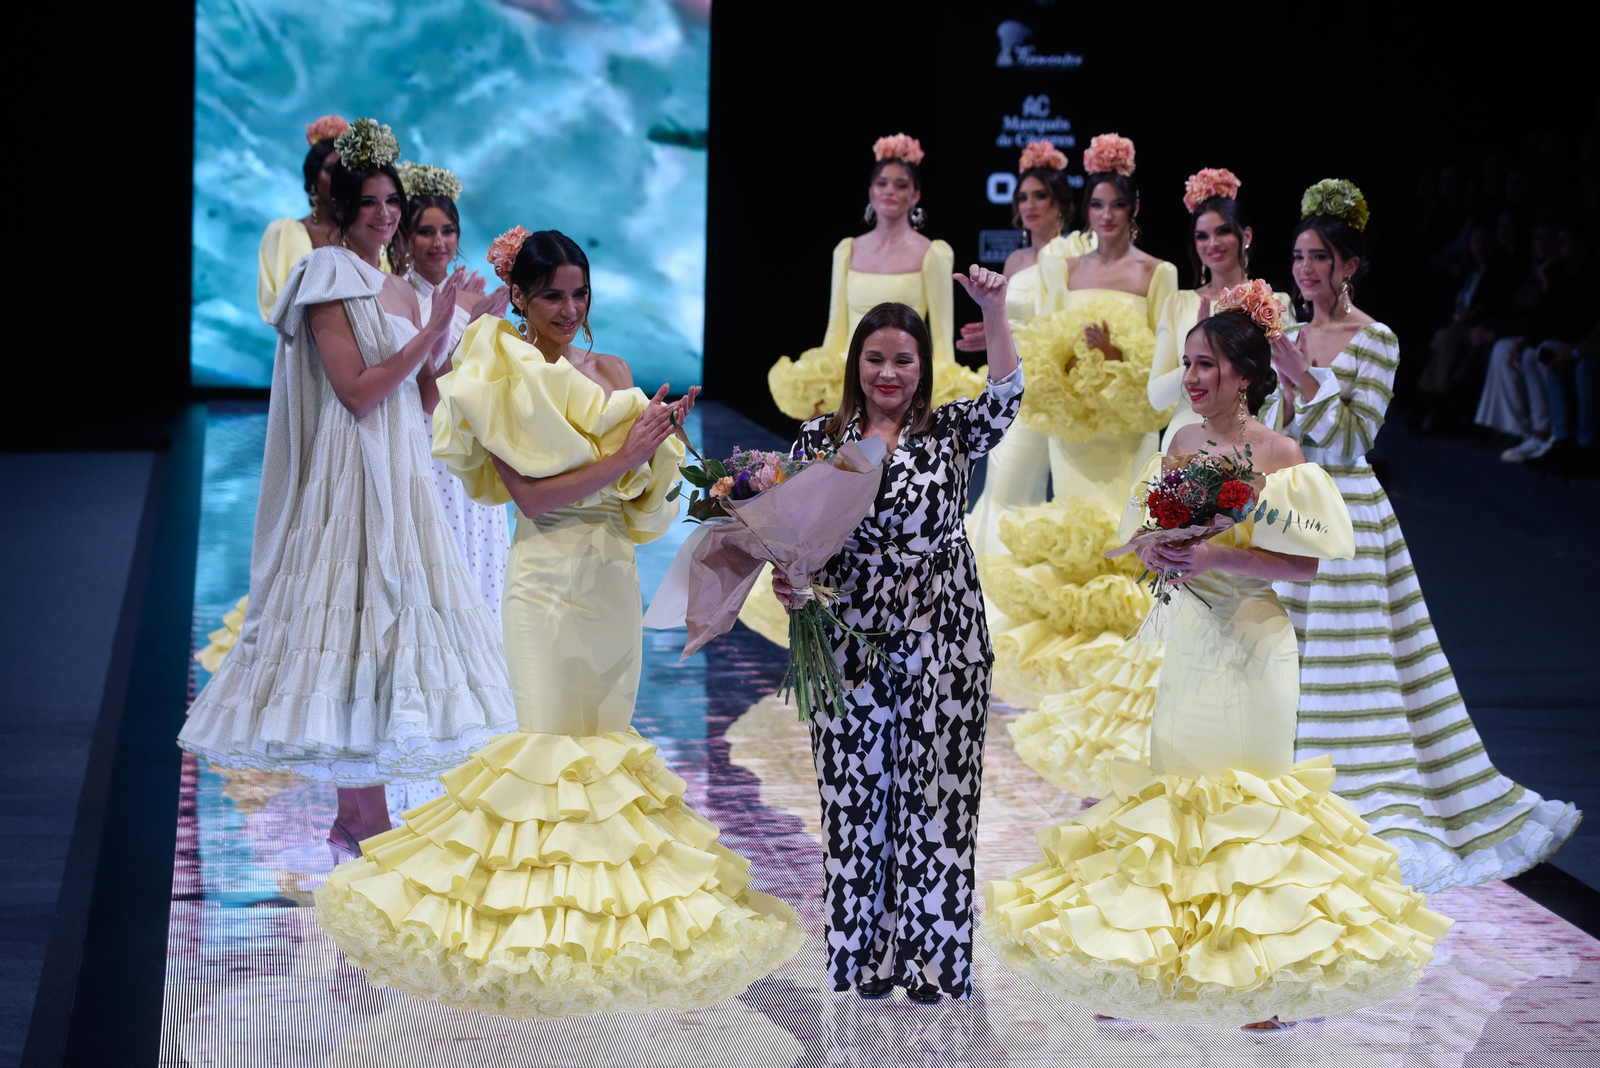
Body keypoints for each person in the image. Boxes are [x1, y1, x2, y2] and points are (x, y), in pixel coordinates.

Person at [314, 227, 804, 1018]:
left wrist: (677, 463)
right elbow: (535, 497)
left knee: (607, 765)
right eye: (552, 296)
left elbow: (646, 502)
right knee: (548, 757)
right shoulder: (498, 371)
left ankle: (600, 940)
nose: (569, 310)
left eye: (579, 295)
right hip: (543, 583)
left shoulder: (612, 372)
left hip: (611, 578)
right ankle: (528, 941)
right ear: (520, 299)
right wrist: (629, 449)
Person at [987, 290, 1452, 1029]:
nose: (1193, 378)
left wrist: (1217, 548)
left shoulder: (1281, 456)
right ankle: (1156, 966)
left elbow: (1305, 567)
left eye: (1206, 366)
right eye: (1188, 364)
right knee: (1175, 799)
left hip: (1255, 642)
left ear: (1244, 376)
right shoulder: (1179, 446)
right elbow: (1144, 533)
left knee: (1251, 810)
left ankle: (1261, 979)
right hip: (1192, 636)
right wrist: (1157, 550)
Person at [179, 118, 516, 855]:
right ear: (341, 208)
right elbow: (357, 392)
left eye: (392, 201)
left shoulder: (394, 289)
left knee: (393, 635)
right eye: (372, 203)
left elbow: (425, 400)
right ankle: (360, 816)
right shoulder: (327, 273)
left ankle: (364, 817)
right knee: (358, 627)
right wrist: (435, 329)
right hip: (353, 472)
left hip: (402, 472)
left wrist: (465, 328)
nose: (387, 214)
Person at [1269, 181, 1580, 891]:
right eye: (1298, 257)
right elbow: (1279, 434)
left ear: (1350, 264)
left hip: (1346, 514)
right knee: (1288, 659)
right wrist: (1282, 387)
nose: (1307, 269)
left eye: (1321, 257)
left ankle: (1364, 798)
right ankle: (1286, 792)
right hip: (1289, 508)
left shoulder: (1375, 340)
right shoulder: (1286, 334)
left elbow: (1352, 441)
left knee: (1355, 668)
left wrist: (1307, 383)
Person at [767, 264, 1022, 1004]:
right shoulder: (820, 438)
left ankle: (933, 961)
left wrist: (997, 314)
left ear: (923, 366)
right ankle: (868, 954)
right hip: (849, 641)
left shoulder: (950, 430)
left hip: (946, 640)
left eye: (903, 360)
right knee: (856, 798)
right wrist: (789, 580)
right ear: (856, 365)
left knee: (938, 797)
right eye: (875, 359)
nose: (888, 372)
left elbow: (1006, 401)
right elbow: (795, 539)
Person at [983, 134, 1176, 706]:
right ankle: (1075, 677)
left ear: (1134, 210)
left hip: (1128, 427)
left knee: (1123, 534)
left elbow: (1163, 359)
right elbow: (1045, 345)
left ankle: (1131, 674)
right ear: (1087, 211)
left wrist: (1113, 354)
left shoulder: (1157, 272)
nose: (1108, 215)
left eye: (1118, 204)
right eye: (1098, 205)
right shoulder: (1064, 269)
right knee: (1072, 541)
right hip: (1073, 425)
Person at [766, 133, 985, 422]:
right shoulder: (847, 250)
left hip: (902, 379)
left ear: (915, 195)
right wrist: (820, 382)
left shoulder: (933, 253)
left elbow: (942, 336)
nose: (889, 191)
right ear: (871, 192)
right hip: (851, 373)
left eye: (901, 184)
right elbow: (836, 327)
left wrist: (938, 391)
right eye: (882, 183)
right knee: (841, 465)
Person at [962, 139, 1096, 558]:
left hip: (1057, 387)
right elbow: (1011, 320)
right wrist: (990, 334)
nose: (1030, 204)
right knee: (1004, 486)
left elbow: (1070, 319)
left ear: (1061, 202)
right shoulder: (1016, 260)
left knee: (1045, 491)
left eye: (1041, 194)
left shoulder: (1079, 251)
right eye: (1023, 196)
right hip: (1013, 386)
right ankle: (992, 591)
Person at [400, 161, 513, 621]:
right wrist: (471, 331)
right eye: (425, 231)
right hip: (428, 447)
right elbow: (426, 397)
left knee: (478, 564)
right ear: (405, 238)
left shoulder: (470, 299)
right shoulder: (398, 298)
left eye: (448, 230)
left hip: (472, 447)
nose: (439, 242)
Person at [1150, 168, 1295, 451]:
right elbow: (1156, 397)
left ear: (1246, 235)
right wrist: (1199, 356)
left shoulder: (1274, 303)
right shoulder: (1179, 303)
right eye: (1202, 236)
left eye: (1223, 231)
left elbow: (1281, 389)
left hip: (1255, 440)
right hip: (1187, 439)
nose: (1212, 243)